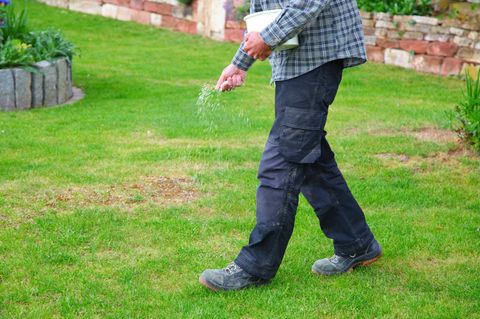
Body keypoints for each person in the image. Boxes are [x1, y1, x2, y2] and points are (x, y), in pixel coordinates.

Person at [199, 0, 382, 291]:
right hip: (296, 64)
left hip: (316, 59)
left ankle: (255, 266)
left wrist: (269, 39)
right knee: (310, 158)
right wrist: (239, 63)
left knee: (282, 163)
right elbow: (264, 13)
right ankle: (356, 242)